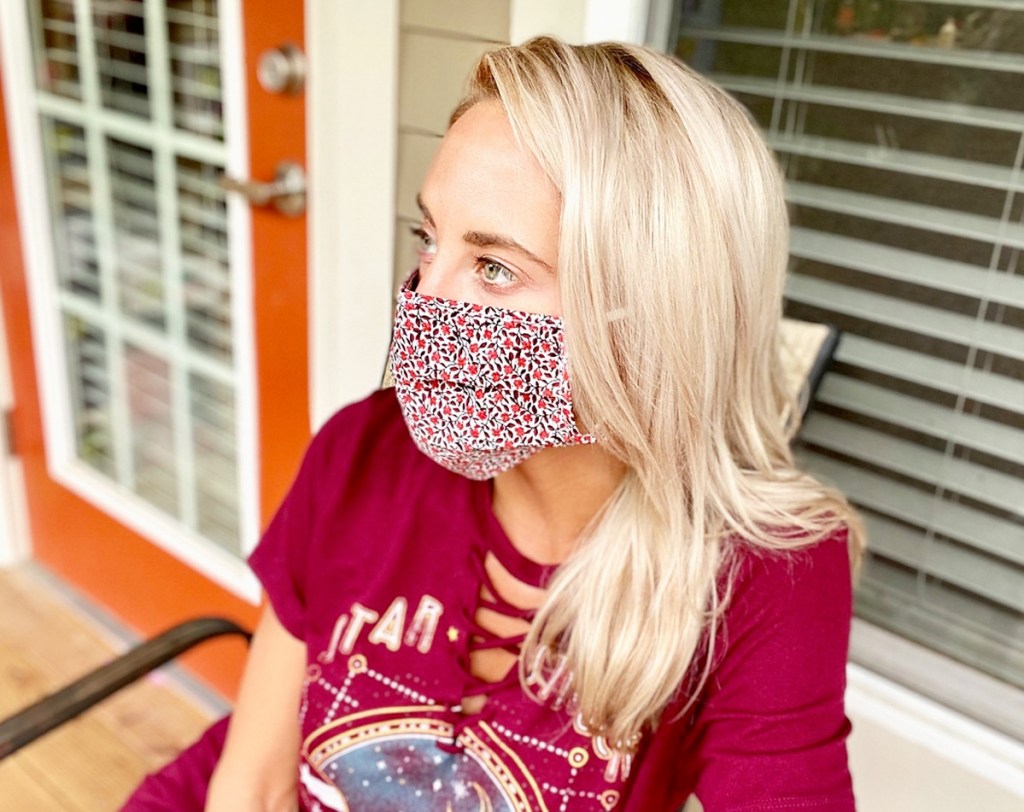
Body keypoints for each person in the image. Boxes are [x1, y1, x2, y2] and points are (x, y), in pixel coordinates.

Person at [123, 36, 864, 812]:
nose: (423, 300)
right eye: (429, 240)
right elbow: (253, 783)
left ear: (652, 317)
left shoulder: (767, 570)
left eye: (495, 267)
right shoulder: (363, 451)